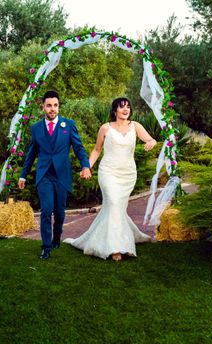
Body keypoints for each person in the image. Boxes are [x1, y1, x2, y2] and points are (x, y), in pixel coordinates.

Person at [64, 97, 156, 261]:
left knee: (116, 209)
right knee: (113, 204)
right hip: (108, 172)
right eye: (122, 107)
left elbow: (150, 139)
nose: (125, 109)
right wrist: (87, 166)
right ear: (115, 111)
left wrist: (152, 142)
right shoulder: (105, 128)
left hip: (128, 174)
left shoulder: (135, 126)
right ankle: (116, 248)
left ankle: (108, 238)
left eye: (128, 106)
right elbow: (97, 150)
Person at [18, 91, 91, 260]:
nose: (52, 109)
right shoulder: (36, 128)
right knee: (46, 210)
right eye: (49, 105)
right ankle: (46, 247)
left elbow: (79, 148)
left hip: (62, 175)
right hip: (44, 175)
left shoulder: (68, 125)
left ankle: (57, 236)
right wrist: (23, 175)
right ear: (43, 107)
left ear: (58, 106)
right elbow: (31, 153)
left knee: (59, 212)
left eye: (55, 105)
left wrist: (85, 166)